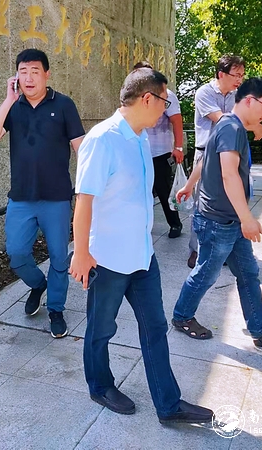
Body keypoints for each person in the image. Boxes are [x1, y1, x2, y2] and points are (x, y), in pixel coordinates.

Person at [70, 68, 214, 425]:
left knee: (155, 328)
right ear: (148, 99)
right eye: (165, 101)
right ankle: (100, 385)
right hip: (107, 258)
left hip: (142, 256)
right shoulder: (102, 139)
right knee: (101, 329)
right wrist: (82, 253)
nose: (167, 109)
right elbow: (84, 200)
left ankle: (169, 404)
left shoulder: (140, 137)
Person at [172, 77, 262, 347]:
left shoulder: (228, 124)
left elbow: (206, 159)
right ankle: (182, 317)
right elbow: (229, 175)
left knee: (248, 272)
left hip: (229, 220)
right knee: (206, 274)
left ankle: (260, 329)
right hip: (218, 221)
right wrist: (247, 218)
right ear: (250, 101)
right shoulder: (231, 128)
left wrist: (189, 185)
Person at [0, 49, 85, 338]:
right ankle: (38, 284)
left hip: (57, 198)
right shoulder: (14, 108)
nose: (28, 78)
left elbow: (82, 148)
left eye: (35, 71)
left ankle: (56, 309)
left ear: (46, 74)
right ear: (16, 76)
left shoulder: (63, 105)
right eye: (23, 72)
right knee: (16, 253)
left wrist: (88, 191)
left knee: (59, 258)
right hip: (21, 198)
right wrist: (8, 100)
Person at [187, 54, 262, 268]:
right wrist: (254, 125)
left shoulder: (238, 96)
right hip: (206, 153)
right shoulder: (204, 92)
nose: (240, 79)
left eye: (242, 75)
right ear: (221, 74)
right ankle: (196, 250)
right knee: (202, 205)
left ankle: (226, 251)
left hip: (231, 154)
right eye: (236, 75)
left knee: (232, 200)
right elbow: (224, 120)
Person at [133, 61, 185, 238]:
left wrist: (178, 147)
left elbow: (177, 121)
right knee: (140, 191)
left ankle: (175, 224)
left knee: (163, 190)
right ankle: (142, 225)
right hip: (139, 151)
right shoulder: (134, 96)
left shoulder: (166, 95)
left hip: (160, 151)